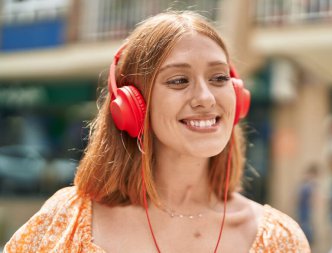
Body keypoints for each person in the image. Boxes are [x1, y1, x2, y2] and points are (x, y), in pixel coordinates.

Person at [4, 11, 310, 253]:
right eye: (178, 80)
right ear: (132, 105)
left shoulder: (279, 240)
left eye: (218, 77)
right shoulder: (66, 220)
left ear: (238, 97)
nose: (206, 97)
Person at [297, 163, 319, 246]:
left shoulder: (304, 184)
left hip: (304, 213)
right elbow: (312, 200)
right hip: (305, 214)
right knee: (307, 237)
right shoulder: (308, 185)